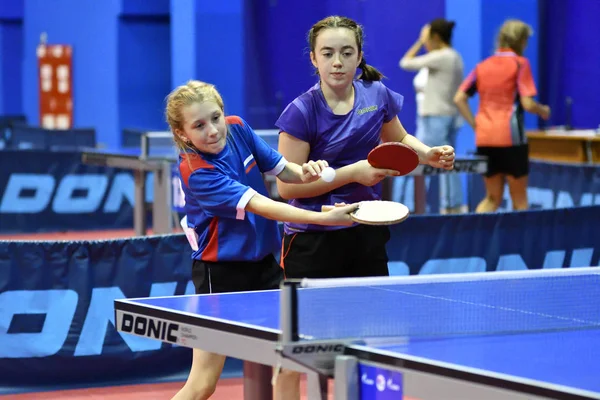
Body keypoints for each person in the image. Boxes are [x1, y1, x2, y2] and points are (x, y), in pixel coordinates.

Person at [272, 15, 455, 398]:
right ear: (313, 59)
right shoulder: (301, 113)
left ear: (358, 57)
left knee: (373, 340)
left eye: (346, 52)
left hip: (365, 234)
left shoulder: (376, 94)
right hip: (312, 240)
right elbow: (287, 187)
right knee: (299, 352)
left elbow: (399, 137)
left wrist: (428, 154)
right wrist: (354, 173)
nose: (337, 61)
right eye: (328, 53)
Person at [165, 80, 359, 400]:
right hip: (222, 275)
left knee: (290, 360)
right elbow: (264, 206)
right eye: (198, 126)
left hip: (266, 266)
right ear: (182, 133)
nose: (212, 130)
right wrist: (322, 218)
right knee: (202, 384)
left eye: (215, 117)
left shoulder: (238, 128)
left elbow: (282, 169)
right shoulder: (196, 171)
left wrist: (305, 172)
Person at [454, 19, 550, 213]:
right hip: (511, 139)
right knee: (520, 201)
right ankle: (520, 244)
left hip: (485, 138)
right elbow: (528, 104)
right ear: (521, 41)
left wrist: (476, 125)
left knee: (491, 199)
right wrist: (543, 110)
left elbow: (459, 98)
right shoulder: (520, 64)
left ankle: (477, 241)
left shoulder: (482, 66)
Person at [400, 18, 465, 214]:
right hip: (449, 115)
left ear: (435, 37)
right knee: (447, 162)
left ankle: (411, 205)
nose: (426, 42)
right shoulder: (455, 56)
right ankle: (452, 203)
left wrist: (420, 42)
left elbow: (405, 62)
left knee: (420, 158)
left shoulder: (442, 56)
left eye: (427, 38)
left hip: (435, 117)